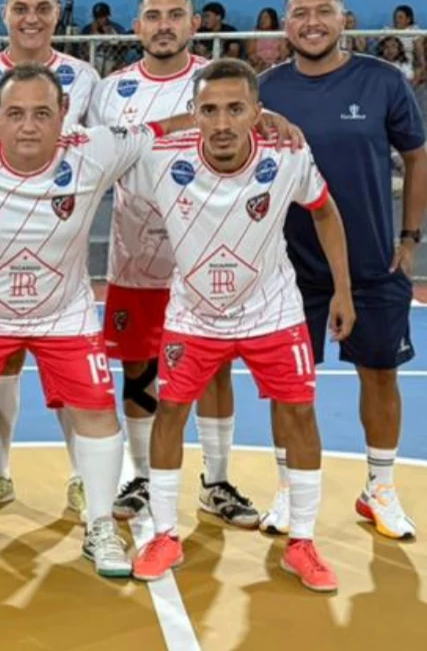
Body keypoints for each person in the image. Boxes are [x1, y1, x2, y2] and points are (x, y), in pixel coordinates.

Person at [0, 64, 299, 578]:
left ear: (63, 116)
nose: (29, 125)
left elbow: (171, 126)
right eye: (16, 114)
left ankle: (98, 525)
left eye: (42, 113)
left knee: (96, 411)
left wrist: (259, 118)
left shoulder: (95, 147)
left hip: (63, 315)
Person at [128, 58, 351, 594]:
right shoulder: (159, 156)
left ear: (257, 111)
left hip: (270, 309)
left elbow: (323, 210)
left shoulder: (287, 153)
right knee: (170, 412)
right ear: (192, 115)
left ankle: (302, 541)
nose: (222, 123)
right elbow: (109, 142)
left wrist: (343, 288)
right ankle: (163, 534)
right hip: (194, 312)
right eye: (209, 110)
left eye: (236, 109)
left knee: (299, 412)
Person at [259, 0, 427, 541]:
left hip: (372, 268)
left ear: (343, 19)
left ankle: (379, 488)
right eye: (300, 13)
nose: (312, 23)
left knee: (379, 375)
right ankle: (288, 489)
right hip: (287, 272)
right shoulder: (266, 89)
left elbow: (418, 158)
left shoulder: (383, 81)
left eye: (322, 11)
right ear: (287, 24)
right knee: (290, 388)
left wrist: (409, 241)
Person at [88, 0, 259, 529]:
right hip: (135, 257)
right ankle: (140, 474)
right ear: (137, 26)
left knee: (212, 370)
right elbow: (100, 164)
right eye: (153, 16)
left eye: (175, 15)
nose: (164, 25)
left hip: (207, 258)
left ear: (194, 23)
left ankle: (217, 479)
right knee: (137, 368)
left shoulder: (219, 83)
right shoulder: (111, 90)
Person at [0, 0, 100, 518]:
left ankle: (83, 478)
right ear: (5, 13)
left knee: (68, 377)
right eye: (21, 8)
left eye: (43, 7)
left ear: (58, 13)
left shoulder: (85, 79)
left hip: (58, 257)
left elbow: (106, 148)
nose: (31, 17)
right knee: (3, 368)